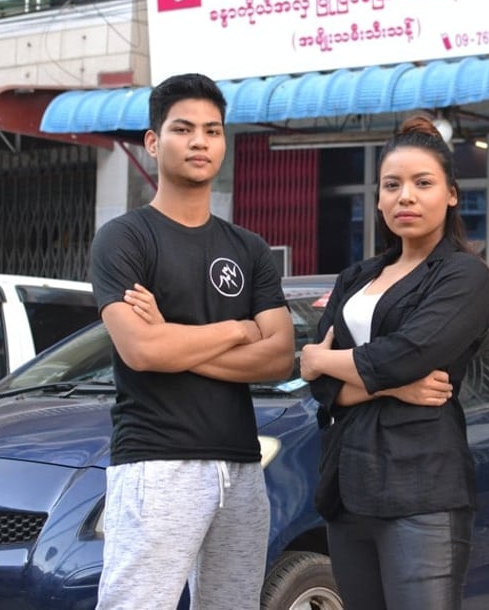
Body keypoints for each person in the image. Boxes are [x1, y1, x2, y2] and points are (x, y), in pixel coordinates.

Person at [89, 72, 294, 610]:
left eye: (213, 130)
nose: (200, 141)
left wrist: (172, 339)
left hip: (241, 464)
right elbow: (142, 351)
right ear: (154, 142)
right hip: (157, 462)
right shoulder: (125, 238)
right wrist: (236, 328)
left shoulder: (248, 249)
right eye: (184, 129)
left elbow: (277, 357)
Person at [299, 115, 489, 609]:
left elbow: (406, 355)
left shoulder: (463, 276)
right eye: (392, 185)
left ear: (451, 194)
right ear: (379, 198)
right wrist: (387, 384)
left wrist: (328, 361)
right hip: (346, 485)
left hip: (420, 489)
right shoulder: (357, 277)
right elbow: (316, 381)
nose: (405, 196)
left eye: (422, 183)